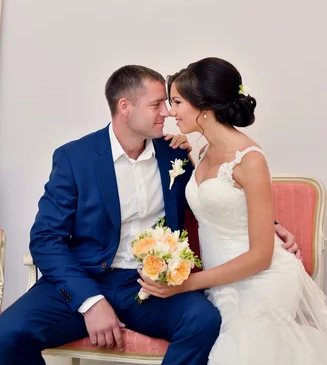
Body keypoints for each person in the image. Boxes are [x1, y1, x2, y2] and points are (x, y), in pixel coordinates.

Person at [0, 64, 299, 365]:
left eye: (170, 104)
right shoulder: (74, 158)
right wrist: (90, 302)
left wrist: (270, 225)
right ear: (125, 107)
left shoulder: (175, 154)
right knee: (7, 333)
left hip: (151, 282)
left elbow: (216, 198)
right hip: (87, 276)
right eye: (157, 104)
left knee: (203, 321)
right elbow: (45, 239)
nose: (167, 112)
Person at [138, 57, 327, 365]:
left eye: (177, 102)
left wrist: (190, 283)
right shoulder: (203, 149)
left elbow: (261, 256)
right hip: (222, 282)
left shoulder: (250, 159)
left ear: (204, 107)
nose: (170, 112)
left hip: (262, 279)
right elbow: (216, 203)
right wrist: (183, 150)